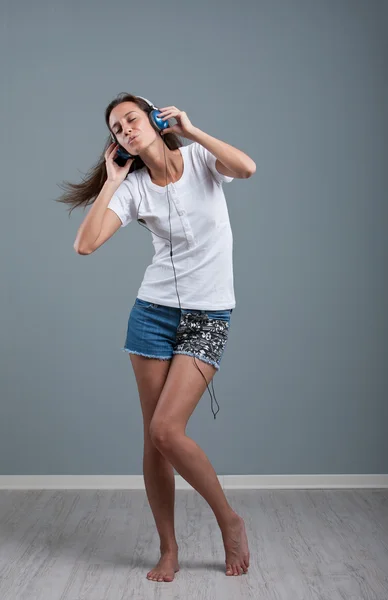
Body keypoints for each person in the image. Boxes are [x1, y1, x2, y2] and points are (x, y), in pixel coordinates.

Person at [56, 93, 256, 583]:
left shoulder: (201, 158)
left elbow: (246, 167)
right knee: (154, 438)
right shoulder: (133, 187)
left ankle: (229, 519)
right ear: (117, 144)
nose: (126, 129)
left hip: (208, 315)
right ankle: (169, 548)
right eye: (117, 129)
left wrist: (190, 130)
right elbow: (84, 245)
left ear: (154, 119)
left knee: (169, 430)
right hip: (152, 314)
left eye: (131, 119)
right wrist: (114, 181)